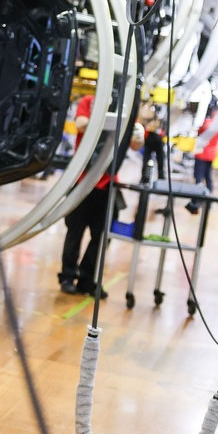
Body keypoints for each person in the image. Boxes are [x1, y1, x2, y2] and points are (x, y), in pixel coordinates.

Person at [58, 93, 141, 299]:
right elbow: (81, 124)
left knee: (102, 236)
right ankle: (68, 277)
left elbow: (136, 143)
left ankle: (87, 279)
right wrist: (113, 121)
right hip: (83, 182)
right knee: (74, 232)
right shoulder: (90, 101)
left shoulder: (126, 105)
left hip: (107, 185)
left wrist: (134, 129)